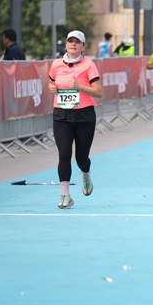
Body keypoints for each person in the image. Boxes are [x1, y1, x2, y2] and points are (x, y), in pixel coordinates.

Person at [47, 30, 103, 209]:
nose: (73, 44)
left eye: (77, 42)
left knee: (81, 157)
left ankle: (85, 172)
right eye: (70, 41)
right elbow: (51, 81)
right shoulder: (56, 64)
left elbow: (99, 92)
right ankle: (66, 196)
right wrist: (52, 87)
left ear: (82, 46)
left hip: (84, 116)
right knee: (64, 154)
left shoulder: (89, 65)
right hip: (61, 115)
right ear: (65, 44)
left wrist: (80, 86)